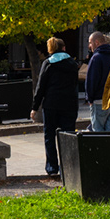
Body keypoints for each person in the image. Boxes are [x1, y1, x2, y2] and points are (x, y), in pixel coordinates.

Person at [30, 35, 79, 177]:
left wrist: (35, 107)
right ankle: (68, 167)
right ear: (64, 48)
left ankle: (52, 167)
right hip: (69, 104)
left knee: (49, 136)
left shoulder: (48, 63)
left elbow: (41, 87)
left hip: (51, 104)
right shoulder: (72, 64)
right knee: (68, 136)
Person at [83, 32, 110, 131]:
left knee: (98, 130)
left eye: (90, 43)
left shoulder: (96, 57)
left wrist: (89, 99)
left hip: (99, 99)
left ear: (96, 42)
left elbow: (91, 81)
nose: (89, 46)